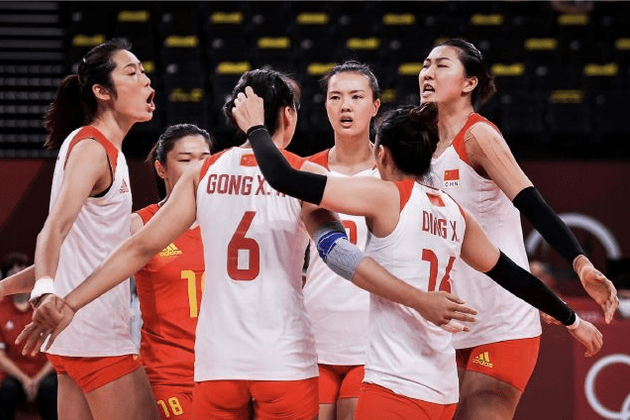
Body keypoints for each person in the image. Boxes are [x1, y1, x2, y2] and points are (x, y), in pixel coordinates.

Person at [17, 69, 475, 420]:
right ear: (289, 116)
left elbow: (138, 249)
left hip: (218, 363)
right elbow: (337, 254)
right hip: (284, 361)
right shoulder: (305, 174)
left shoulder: (203, 172)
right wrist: (416, 297)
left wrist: (71, 302)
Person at [229, 89, 603, 419]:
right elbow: (512, 274)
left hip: (394, 383)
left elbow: (284, 178)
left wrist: (256, 129)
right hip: (441, 390)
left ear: (381, 154)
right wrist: (571, 319)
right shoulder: (455, 212)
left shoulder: (386, 196)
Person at [417, 38, 618, 420]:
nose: (427, 73)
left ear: (470, 83)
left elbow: (534, 206)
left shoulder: (478, 136)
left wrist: (581, 264)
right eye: (425, 64)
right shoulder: (418, 143)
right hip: (446, 322)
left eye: (441, 65)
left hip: (500, 319)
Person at [14, 38, 159, 420]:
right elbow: (54, 229)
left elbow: (78, 250)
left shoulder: (97, 147)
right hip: (97, 337)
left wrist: (1, 288)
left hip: (75, 337)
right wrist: (44, 290)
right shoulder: (93, 150)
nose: (146, 81)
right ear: (102, 92)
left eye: (144, 72)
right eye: (132, 73)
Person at [304, 61, 380, 420]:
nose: (345, 106)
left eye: (356, 97)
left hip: (373, 340)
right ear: (326, 106)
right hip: (313, 337)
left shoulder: (395, 174)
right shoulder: (304, 171)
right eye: (335, 97)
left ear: (375, 106)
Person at [132, 123, 212, 420]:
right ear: (161, 169)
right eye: (186, 159)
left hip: (225, 372)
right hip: (169, 375)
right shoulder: (141, 224)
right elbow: (85, 266)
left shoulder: (229, 221)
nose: (198, 168)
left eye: (205, 158)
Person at [0, 254, 57, 420]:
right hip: (15, 375)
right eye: (11, 268)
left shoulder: (46, 304)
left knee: (50, 388)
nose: (16, 271)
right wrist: (25, 380)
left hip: (44, 374)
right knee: (7, 389)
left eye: (21, 267)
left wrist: (37, 380)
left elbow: (56, 349)